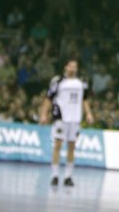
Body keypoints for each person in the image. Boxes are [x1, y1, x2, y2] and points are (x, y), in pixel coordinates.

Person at [39, 59, 94, 187]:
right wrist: (43, 114)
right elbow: (48, 98)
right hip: (61, 118)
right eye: (70, 66)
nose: (73, 69)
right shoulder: (58, 82)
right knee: (57, 145)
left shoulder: (81, 83)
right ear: (66, 67)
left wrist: (88, 113)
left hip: (75, 119)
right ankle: (55, 175)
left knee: (71, 147)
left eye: (75, 66)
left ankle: (68, 176)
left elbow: (84, 99)